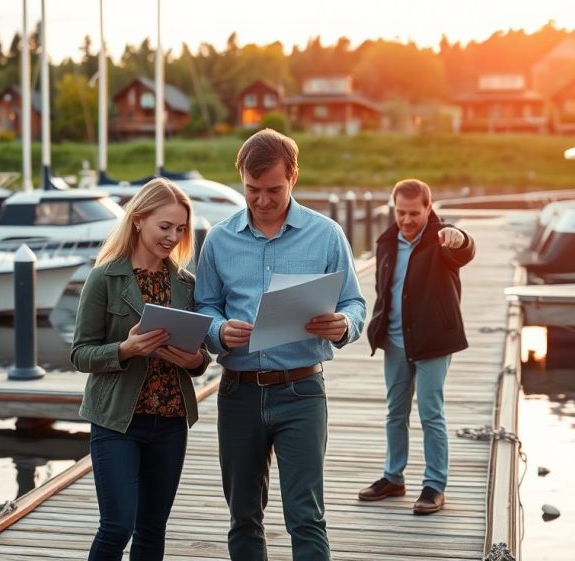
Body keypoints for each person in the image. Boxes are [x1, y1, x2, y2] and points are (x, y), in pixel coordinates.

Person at [195, 129, 366, 561]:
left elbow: (355, 302)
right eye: (252, 190)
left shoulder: (326, 235)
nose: (262, 200)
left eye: (273, 189)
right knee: (244, 517)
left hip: (302, 392)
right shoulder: (218, 239)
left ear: (293, 177)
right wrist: (217, 331)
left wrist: (343, 324)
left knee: (306, 517)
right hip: (238, 393)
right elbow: (205, 306)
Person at [71, 178, 212, 561]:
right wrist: (125, 349)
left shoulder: (187, 285)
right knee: (117, 525)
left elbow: (201, 356)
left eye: (180, 229)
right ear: (137, 220)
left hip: (170, 420)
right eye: (164, 226)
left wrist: (195, 361)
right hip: (117, 421)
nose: (173, 236)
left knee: (152, 530)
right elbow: (80, 353)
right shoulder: (105, 278)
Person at [357, 178, 475, 515]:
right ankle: (393, 478)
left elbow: (464, 249)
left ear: (428, 209)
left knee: (430, 413)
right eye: (401, 212)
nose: (407, 220)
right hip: (394, 341)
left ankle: (435, 485)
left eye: (414, 213)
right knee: (395, 412)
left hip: (433, 342)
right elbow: (384, 290)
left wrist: (460, 236)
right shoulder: (387, 241)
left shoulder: (442, 240)